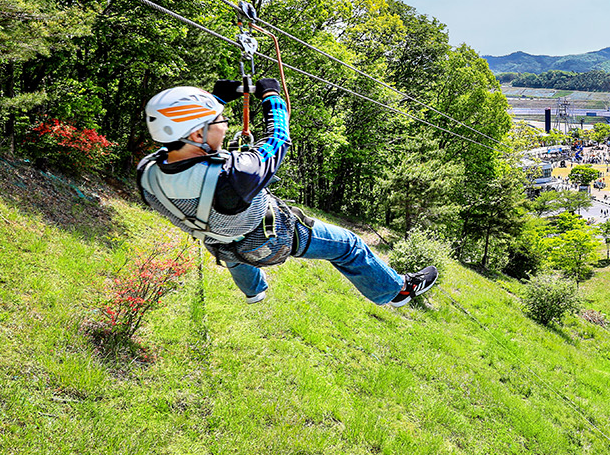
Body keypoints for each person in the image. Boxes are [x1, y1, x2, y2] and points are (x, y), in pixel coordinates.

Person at [136, 82, 437, 307]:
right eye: (219, 121)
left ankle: (254, 292)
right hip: (271, 237)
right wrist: (272, 98)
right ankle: (396, 291)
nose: (226, 126)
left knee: (232, 251)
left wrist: (216, 100)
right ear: (197, 135)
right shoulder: (235, 174)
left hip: (219, 242)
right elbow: (278, 139)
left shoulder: (148, 173)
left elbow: (173, 144)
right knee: (349, 246)